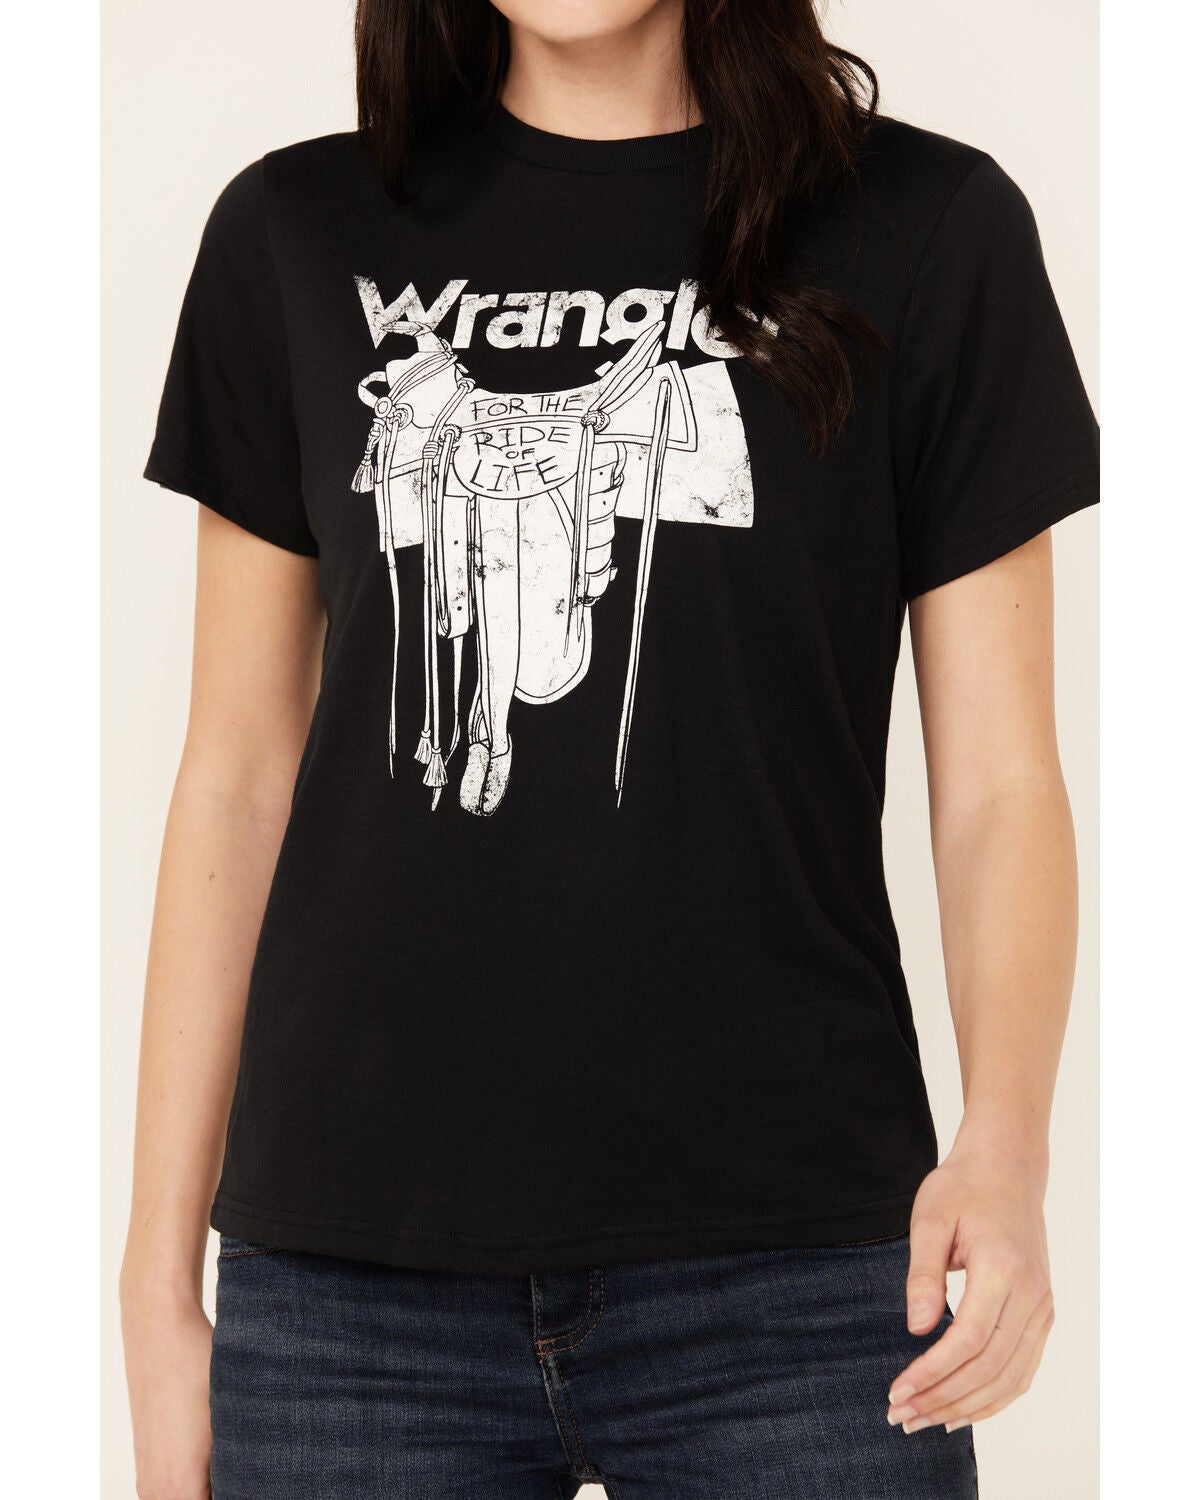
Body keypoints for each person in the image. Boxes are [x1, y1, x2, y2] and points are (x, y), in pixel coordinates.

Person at [119, 1, 1099, 1496]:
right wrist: (154, 1283)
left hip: (800, 1267)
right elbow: (235, 775)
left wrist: (1009, 1151)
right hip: (350, 1288)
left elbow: (1001, 785)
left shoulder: (929, 226)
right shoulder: (294, 230)